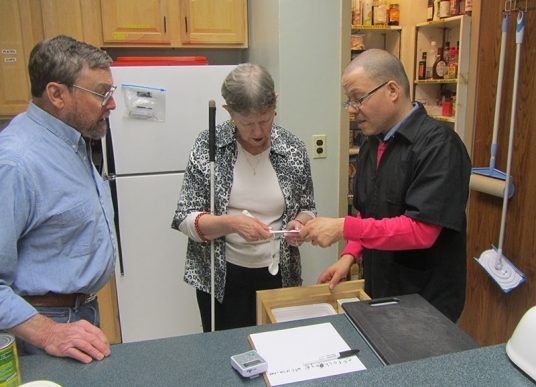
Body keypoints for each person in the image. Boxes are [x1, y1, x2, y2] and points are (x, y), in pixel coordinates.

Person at [300, 49, 471, 322]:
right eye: (349, 102)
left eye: (359, 99)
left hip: (426, 302)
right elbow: (370, 213)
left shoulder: (439, 145)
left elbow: (422, 231)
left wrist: (343, 227)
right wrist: (349, 255)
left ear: (392, 90)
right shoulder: (371, 144)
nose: (353, 110)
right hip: (381, 292)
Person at [172, 63, 316, 331]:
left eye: (265, 119)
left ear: (275, 104)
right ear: (228, 111)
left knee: (279, 352)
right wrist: (232, 223)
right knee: (227, 356)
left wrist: (301, 224)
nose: (258, 132)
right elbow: (184, 218)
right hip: (222, 278)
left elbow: (308, 207)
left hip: (279, 276)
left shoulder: (293, 148)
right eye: (247, 123)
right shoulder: (209, 147)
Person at [0, 35, 118, 363]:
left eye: (112, 92)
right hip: (43, 331)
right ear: (57, 94)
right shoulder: (16, 162)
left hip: (78, 316)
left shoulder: (70, 141)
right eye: (101, 93)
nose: (111, 104)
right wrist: (50, 332)